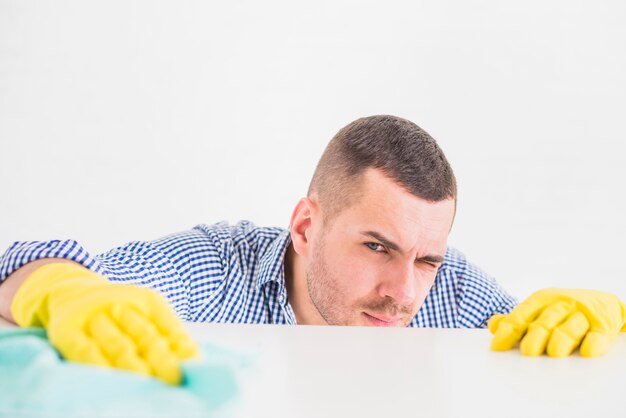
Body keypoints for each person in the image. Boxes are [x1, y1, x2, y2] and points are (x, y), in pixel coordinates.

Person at [1, 115, 624, 385]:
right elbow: (28, 267)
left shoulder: (450, 289)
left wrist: (601, 329)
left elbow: (541, 343)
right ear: (304, 226)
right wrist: (60, 290)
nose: (403, 292)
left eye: (426, 258)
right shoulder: (220, 270)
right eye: (377, 246)